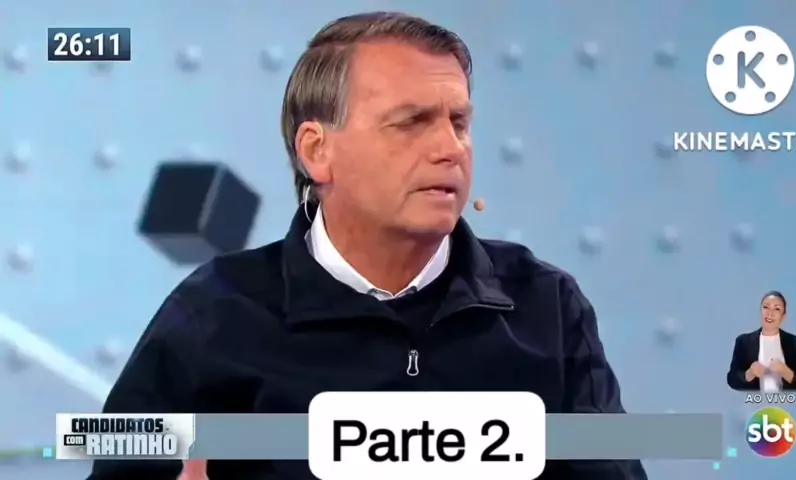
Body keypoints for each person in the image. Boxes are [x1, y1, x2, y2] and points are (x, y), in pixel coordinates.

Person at [89, 11, 647, 480]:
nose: (450, 148)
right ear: (317, 151)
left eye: (459, 122)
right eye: (412, 122)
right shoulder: (215, 314)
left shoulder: (547, 307)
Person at [727, 291, 796, 392]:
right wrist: (750, 373)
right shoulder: (743, 342)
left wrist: (785, 371)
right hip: (754, 401)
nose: (770, 313)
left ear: (783, 316)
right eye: (766, 307)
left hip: (786, 401)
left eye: (777, 309)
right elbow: (732, 379)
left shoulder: (795, 343)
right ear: (760, 310)